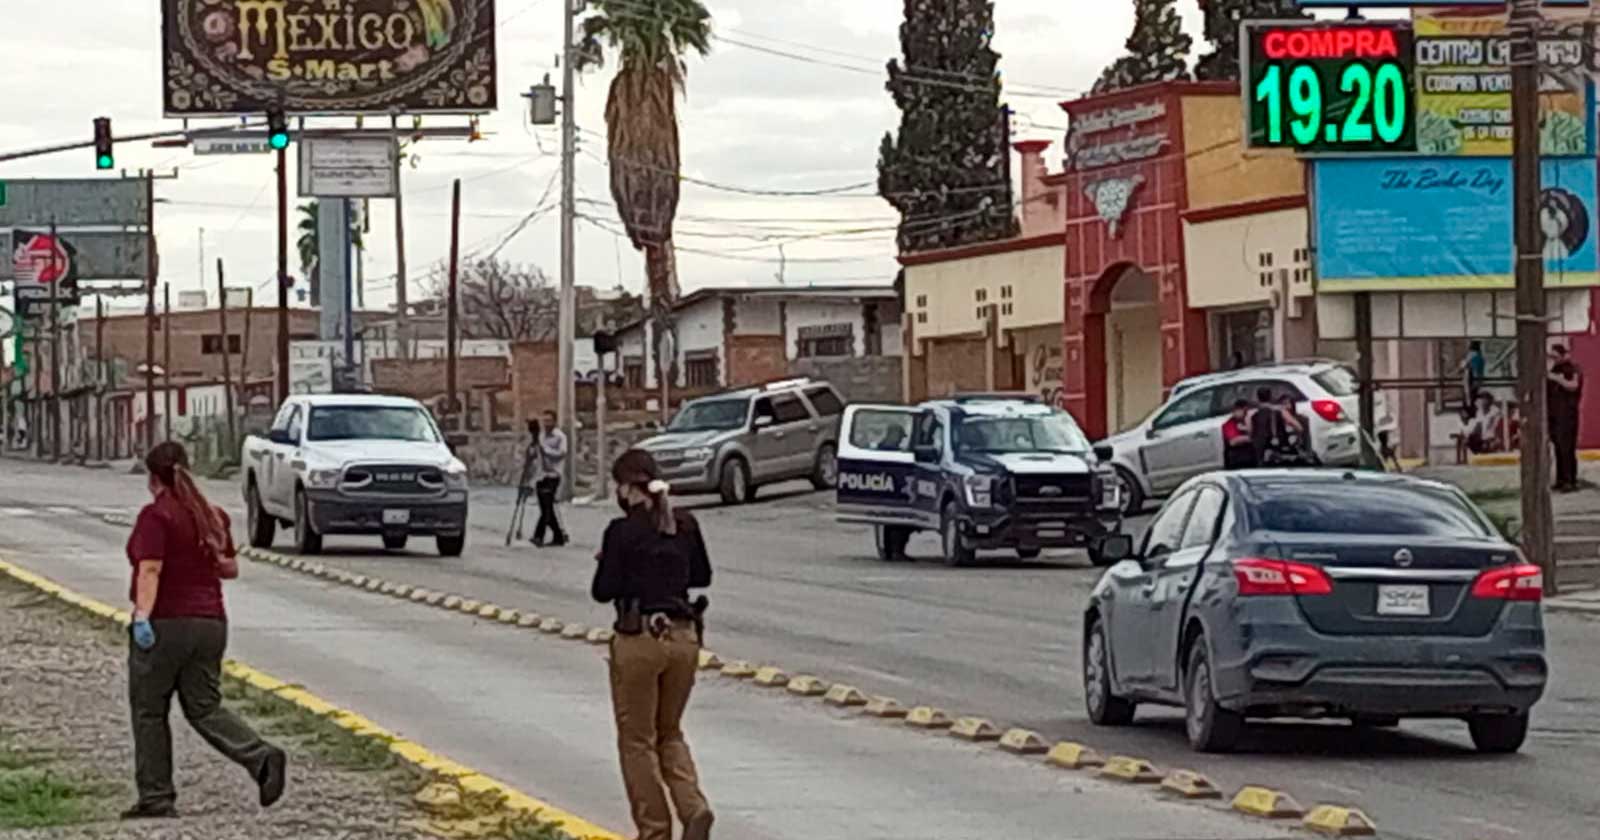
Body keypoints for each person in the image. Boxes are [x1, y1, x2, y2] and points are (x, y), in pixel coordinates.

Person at [122, 441, 286, 819]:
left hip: (166, 623)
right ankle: (260, 756)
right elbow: (229, 569)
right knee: (205, 706)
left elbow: (150, 569)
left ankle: (157, 797)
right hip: (211, 624)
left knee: (149, 710)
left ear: (153, 478)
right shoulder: (212, 515)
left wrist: (142, 617)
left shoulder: (156, 516)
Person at [592, 449, 715, 840]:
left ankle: (654, 830)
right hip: (684, 638)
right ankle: (694, 808)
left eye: (619, 485)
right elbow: (702, 575)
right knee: (670, 732)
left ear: (629, 487)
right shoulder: (685, 523)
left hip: (640, 639)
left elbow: (603, 590)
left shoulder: (621, 531)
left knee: (637, 741)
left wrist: (607, 560)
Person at [1549, 344, 1584, 492]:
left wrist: (1557, 379)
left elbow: (1574, 385)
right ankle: (1561, 479)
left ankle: (1570, 480)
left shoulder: (1572, 368)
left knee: (1567, 448)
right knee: (1558, 448)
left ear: (1563, 355)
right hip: (1554, 414)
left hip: (1567, 415)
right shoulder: (1554, 370)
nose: (1553, 359)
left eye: (1555, 356)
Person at [531, 410, 569, 547]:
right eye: (544, 421)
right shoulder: (541, 436)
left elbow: (561, 454)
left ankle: (538, 535)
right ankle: (559, 536)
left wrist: (545, 450)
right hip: (541, 475)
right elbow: (536, 455)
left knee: (547, 506)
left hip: (554, 475)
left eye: (549, 420)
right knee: (545, 508)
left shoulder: (560, 437)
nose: (546, 424)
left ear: (554, 421)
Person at [1221, 399, 1257, 470]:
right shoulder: (1229, 424)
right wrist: (1250, 438)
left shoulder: (1249, 421)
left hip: (1250, 459)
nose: (1246, 413)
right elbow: (1233, 442)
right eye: (1244, 411)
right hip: (1236, 460)